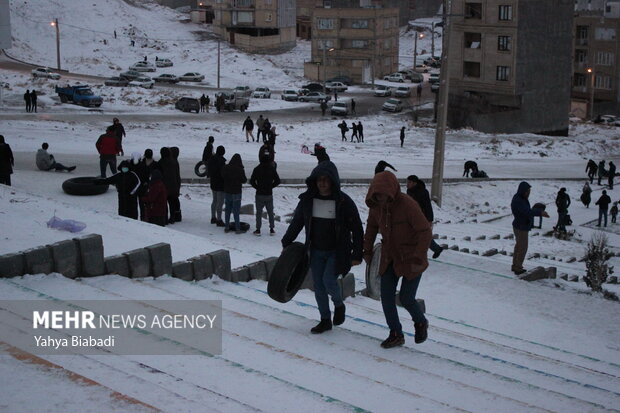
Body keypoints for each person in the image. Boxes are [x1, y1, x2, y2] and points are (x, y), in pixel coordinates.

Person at [282, 161, 363, 334]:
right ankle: (325, 319)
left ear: (333, 181)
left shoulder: (343, 201)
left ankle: (339, 304)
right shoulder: (308, 200)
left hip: (337, 251)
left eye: (326, 180)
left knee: (328, 280)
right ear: (314, 181)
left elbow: (357, 228)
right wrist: (287, 241)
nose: (322, 183)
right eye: (319, 179)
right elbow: (297, 221)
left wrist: (357, 253)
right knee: (318, 286)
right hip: (316, 250)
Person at [363, 171, 431, 348]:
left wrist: (419, 254)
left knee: (407, 297)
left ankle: (420, 322)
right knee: (386, 297)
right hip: (389, 257)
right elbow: (371, 228)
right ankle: (396, 333)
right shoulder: (376, 207)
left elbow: (425, 231)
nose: (381, 199)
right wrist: (367, 251)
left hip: (411, 258)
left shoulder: (408, 205)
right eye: (377, 196)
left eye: (384, 195)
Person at [511, 182, 548, 275]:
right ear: (523, 191)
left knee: (519, 246)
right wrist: (540, 212)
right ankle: (518, 267)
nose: (529, 193)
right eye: (527, 191)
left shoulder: (521, 198)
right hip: (521, 227)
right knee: (522, 247)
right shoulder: (518, 200)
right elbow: (527, 211)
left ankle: (515, 265)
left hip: (520, 225)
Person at [407, 175, 443, 259]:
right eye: (407, 182)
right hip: (411, 217)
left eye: (409, 182)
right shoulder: (409, 191)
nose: (407, 184)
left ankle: (436, 249)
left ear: (414, 183)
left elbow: (428, 207)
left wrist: (429, 220)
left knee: (423, 236)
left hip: (422, 218)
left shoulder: (423, 192)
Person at [250, 153, 281, 235]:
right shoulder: (272, 169)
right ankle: (271, 229)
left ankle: (258, 229)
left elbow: (251, 181)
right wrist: (271, 186)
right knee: (270, 212)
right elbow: (278, 181)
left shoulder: (257, 169)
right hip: (269, 194)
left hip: (259, 194)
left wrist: (257, 187)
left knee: (259, 213)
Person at [221, 153, 247, 234]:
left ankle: (226, 227)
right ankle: (238, 229)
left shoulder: (226, 167)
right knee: (236, 211)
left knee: (227, 210)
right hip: (237, 192)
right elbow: (244, 180)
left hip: (227, 191)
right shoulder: (240, 169)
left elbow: (222, 176)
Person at [158, 147, 181, 224]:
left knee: (164, 203)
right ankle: (173, 218)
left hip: (164, 186)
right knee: (172, 203)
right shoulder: (174, 162)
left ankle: (165, 218)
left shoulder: (160, 162)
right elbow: (177, 175)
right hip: (173, 186)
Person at [134, 149, 157, 221]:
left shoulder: (141, 164)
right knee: (148, 203)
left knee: (143, 203)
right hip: (148, 186)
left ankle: (144, 217)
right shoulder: (155, 164)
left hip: (143, 187)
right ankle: (146, 217)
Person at [207, 146, 227, 226]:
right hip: (220, 184)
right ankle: (219, 219)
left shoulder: (211, 159)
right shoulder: (221, 161)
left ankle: (213, 217)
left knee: (214, 200)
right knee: (220, 202)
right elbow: (223, 173)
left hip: (213, 183)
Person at [170, 146, 183, 222]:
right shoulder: (175, 161)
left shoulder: (173, 162)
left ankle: (176, 215)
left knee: (174, 199)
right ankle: (177, 214)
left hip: (175, 183)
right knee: (175, 199)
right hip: (176, 183)